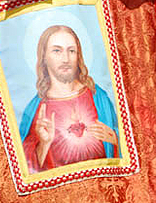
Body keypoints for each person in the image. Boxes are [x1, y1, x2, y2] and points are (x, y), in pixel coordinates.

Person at [19, 25, 119, 173]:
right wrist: (44, 144)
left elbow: (128, 142)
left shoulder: (98, 97)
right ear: (44, 57)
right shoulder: (36, 109)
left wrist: (115, 139)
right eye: (57, 51)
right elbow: (25, 169)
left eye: (71, 51)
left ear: (78, 56)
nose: (65, 59)